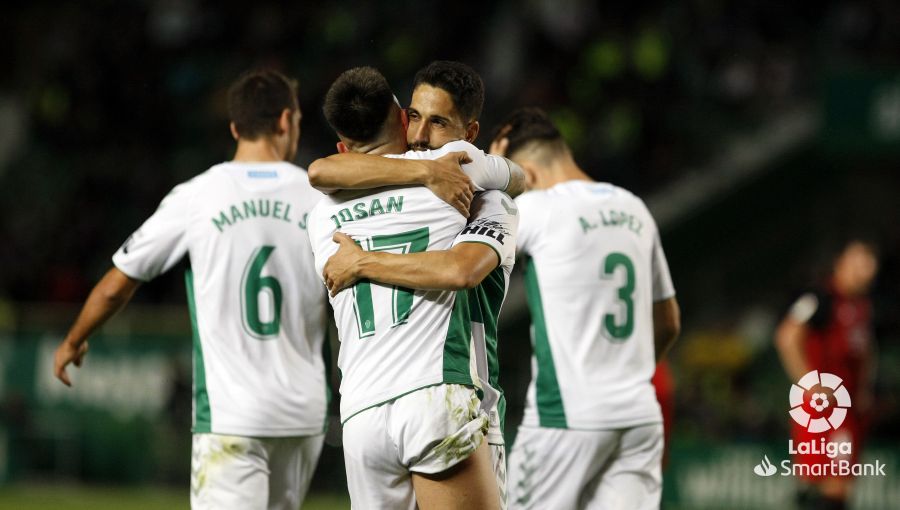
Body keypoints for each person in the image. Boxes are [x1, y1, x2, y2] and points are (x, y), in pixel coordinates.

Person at [52, 69, 328, 510]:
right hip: (303, 414)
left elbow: (118, 284)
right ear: (285, 120)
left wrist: (74, 339)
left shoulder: (198, 196)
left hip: (230, 414)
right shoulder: (320, 198)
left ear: (235, 126)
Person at [307, 66, 520, 510]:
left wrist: (361, 260)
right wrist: (432, 171)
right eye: (417, 119)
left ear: (345, 147)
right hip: (438, 393)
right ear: (402, 120)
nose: (423, 135)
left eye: (437, 121)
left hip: (361, 415)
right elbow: (518, 178)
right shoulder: (457, 171)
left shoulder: (318, 216)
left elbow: (320, 171)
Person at [490, 107, 681, 510]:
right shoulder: (635, 209)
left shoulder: (541, 207)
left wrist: (494, 182)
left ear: (529, 173)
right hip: (638, 418)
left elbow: (471, 253)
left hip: (566, 420)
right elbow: (669, 322)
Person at [775, 239, 879, 510]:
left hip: (848, 409)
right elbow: (787, 337)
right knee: (831, 484)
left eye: (869, 265)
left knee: (834, 485)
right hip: (823, 410)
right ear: (840, 263)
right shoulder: (820, 298)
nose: (864, 271)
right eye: (858, 263)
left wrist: (865, 389)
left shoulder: (862, 307)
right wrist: (809, 384)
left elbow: (866, 351)